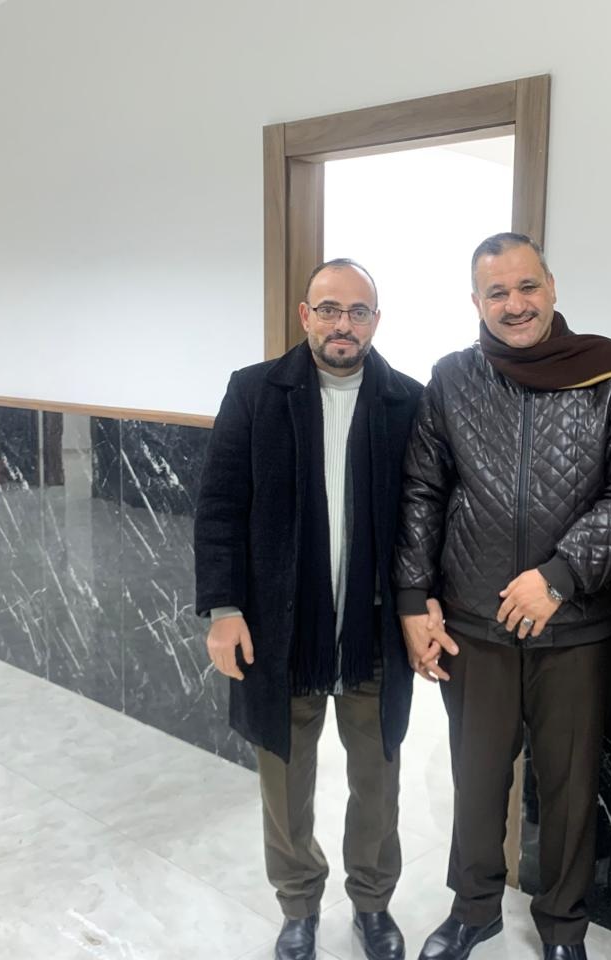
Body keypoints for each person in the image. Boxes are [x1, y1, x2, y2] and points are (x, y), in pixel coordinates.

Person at [395, 232, 611, 960]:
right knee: (477, 778)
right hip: (474, 623)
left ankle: (563, 927)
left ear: (552, 287)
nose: (514, 305)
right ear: (476, 301)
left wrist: (558, 575)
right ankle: (474, 908)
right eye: (497, 293)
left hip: (575, 624)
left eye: (526, 287)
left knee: (570, 787)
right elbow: (423, 490)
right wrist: (414, 597)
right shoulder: (452, 379)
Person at [195, 258, 422, 960]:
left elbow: (426, 518)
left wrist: (423, 608)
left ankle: (373, 902)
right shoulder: (255, 392)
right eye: (328, 309)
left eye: (357, 311)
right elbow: (219, 506)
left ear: (376, 321)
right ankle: (298, 905)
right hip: (281, 630)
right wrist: (224, 608)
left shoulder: (408, 402)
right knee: (285, 781)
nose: (342, 324)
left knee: (376, 779)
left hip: (372, 632)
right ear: (304, 316)